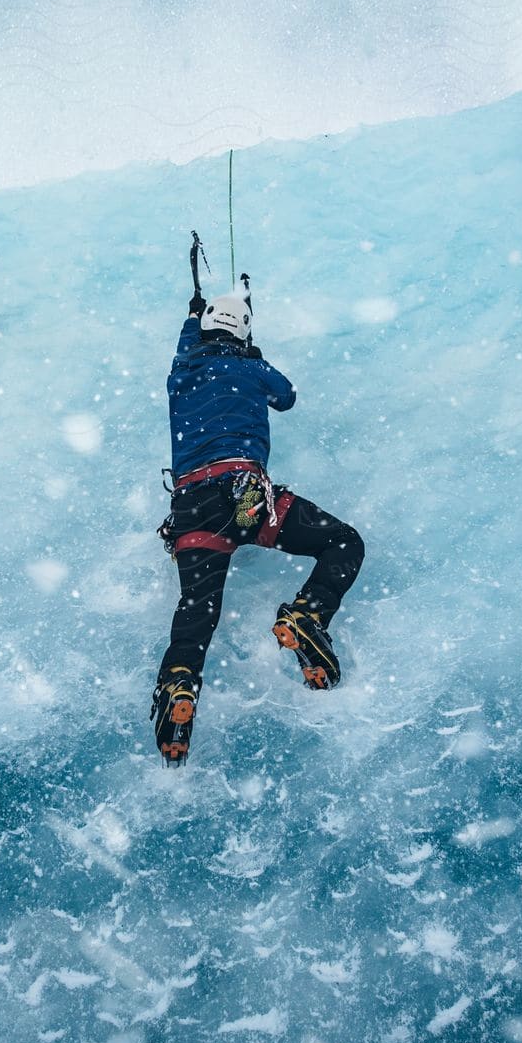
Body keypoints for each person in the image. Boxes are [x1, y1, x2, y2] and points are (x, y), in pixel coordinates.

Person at [151, 239, 365, 765]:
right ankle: (306, 617)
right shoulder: (251, 368)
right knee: (343, 543)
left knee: (196, 611)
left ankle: (180, 686)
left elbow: (191, 336)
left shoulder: (181, 373)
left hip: (191, 507)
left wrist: (197, 313)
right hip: (246, 493)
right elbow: (286, 396)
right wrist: (252, 353)